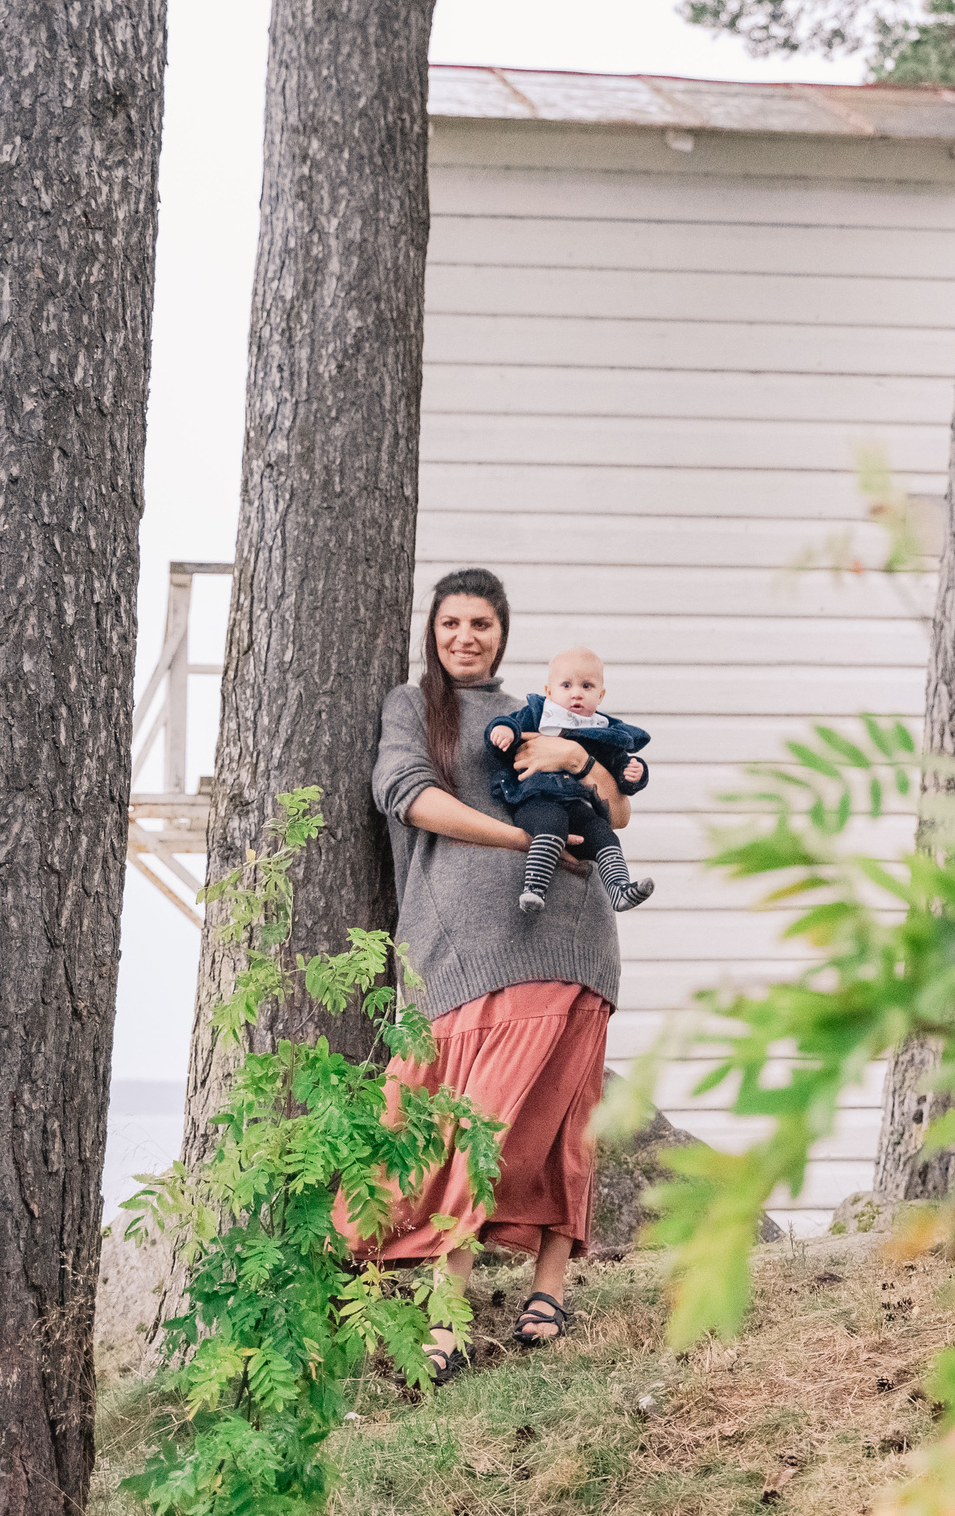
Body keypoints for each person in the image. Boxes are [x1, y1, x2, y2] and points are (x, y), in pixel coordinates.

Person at [347, 567, 629, 1381]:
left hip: (572, 935)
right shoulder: (411, 707)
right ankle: (446, 1304)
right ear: (432, 633)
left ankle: (546, 1287)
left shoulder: (535, 710)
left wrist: (585, 757)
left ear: (503, 633)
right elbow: (407, 797)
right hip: (467, 946)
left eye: (481, 624)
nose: (466, 637)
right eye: (451, 624)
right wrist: (517, 843)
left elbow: (615, 810)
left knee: (560, 1116)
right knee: (474, 1122)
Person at [484, 646, 654, 915]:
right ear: (549, 691)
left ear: (601, 695)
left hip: (578, 803)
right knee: (550, 825)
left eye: (587, 686)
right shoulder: (538, 714)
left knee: (604, 835)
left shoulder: (602, 731)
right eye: (566, 685)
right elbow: (510, 725)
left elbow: (619, 765)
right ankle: (534, 889)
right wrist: (502, 731)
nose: (576, 693)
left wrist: (634, 773)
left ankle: (619, 890)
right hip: (535, 797)